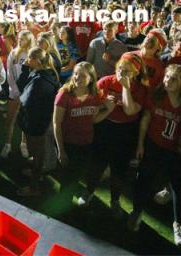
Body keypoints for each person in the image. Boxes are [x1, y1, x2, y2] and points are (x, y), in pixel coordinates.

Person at [81, 52, 149, 219]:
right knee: (97, 163)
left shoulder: (140, 89)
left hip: (126, 132)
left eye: (127, 71)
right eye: (120, 68)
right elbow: (90, 105)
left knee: (119, 168)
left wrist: (125, 87)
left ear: (135, 73)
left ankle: (115, 200)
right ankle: (88, 191)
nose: (121, 73)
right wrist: (104, 106)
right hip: (105, 127)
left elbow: (129, 110)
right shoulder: (106, 81)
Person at [128, 64, 181, 247]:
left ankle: (178, 223)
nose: (167, 81)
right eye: (167, 77)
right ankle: (137, 212)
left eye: (173, 78)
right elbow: (145, 120)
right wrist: (141, 144)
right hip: (153, 145)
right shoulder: (157, 96)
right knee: (143, 180)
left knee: (178, 187)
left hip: (174, 151)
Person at [53, 62, 116, 210]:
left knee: (75, 177)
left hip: (86, 143)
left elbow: (92, 119)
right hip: (67, 144)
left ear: (91, 78)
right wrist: (61, 150)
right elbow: (56, 123)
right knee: (67, 180)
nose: (77, 78)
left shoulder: (95, 94)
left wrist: (107, 111)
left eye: (82, 76)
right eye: (75, 74)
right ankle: (63, 209)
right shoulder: (64, 94)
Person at [16, 47, 60, 196]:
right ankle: (36, 174)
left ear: (36, 60)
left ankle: (34, 187)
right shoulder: (44, 74)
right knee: (36, 154)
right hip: (38, 122)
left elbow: (25, 99)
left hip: (35, 124)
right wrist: (25, 70)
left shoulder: (40, 80)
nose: (27, 60)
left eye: (29, 58)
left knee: (37, 154)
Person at [2, 30, 36, 158]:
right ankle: (7, 145)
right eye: (19, 38)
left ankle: (23, 144)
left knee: (25, 120)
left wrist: (26, 91)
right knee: (10, 119)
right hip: (14, 92)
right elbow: (9, 73)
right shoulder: (13, 53)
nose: (20, 40)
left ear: (29, 40)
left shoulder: (32, 54)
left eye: (23, 39)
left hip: (28, 92)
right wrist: (15, 90)